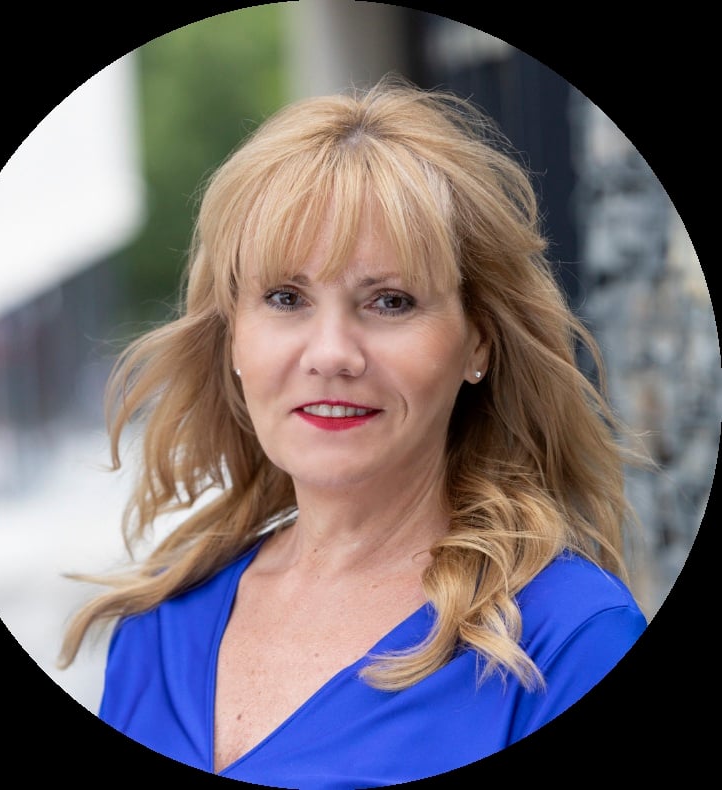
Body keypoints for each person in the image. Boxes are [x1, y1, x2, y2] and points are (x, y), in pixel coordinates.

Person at [59, 75, 649, 788]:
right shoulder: (156, 630)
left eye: (390, 301)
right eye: (286, 298)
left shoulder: (569, 643)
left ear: (478, 343)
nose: (332, 353)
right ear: (232, 336)